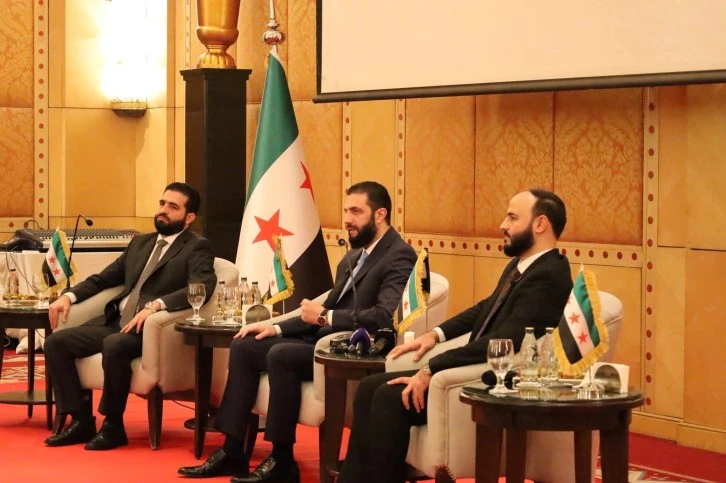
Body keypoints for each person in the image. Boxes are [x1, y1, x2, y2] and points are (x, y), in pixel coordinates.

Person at [178, 181, 417, 483]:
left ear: (380, 214)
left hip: (352, 348)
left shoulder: (399, 255)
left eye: (356, 212)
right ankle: (233, 451)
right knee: (246, 345)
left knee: (282, 354)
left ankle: (282, 460)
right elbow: (322, 309)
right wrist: (275, 326)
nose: (347, 219)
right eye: (346, 211)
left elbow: (384, 315)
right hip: (321, 339)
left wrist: (326, 317)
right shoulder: (355, 255)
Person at [337, 189, 574, 483]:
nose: (503, 225)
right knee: (369, 387)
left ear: (540, 224)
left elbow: (505, 341)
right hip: (470, 368)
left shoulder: (549, 275)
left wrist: (431, 368)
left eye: (512, 217)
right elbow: (486, 308)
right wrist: (435, 335)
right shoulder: (522, 265)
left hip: (492, 382)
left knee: (388, 397)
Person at [43, 182, 217, 451]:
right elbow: (104, 279)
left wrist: (156, 306)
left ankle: (113, 426)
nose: (163, 210)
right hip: (117, 322)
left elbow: (202, 286)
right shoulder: (141, 243)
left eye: (173, 207)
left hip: (151, 329)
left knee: (114, 345)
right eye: (162, 203)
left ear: (189, 217)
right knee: (56, 342)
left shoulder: (197, 247)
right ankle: (80, 421)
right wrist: (69, 296)